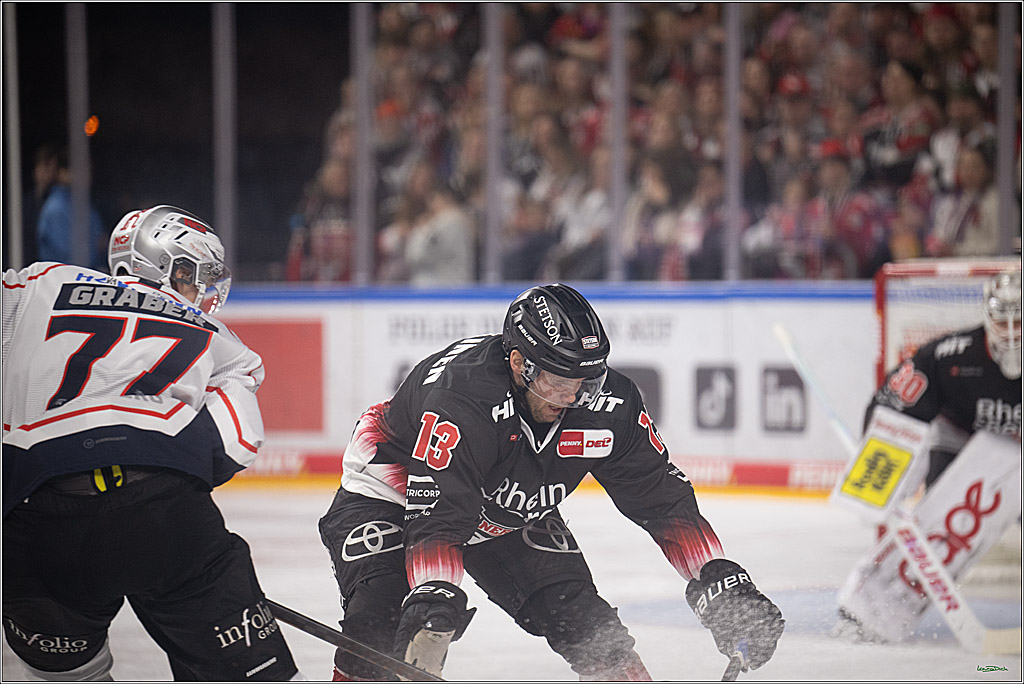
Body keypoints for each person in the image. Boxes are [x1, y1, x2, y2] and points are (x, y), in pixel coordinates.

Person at [318, 283, 785, 681]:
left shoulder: (609, 406)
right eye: (557, 381)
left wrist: (717, 577)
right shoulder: (464, 399)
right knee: (382, 625)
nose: (572, 397)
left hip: (505, 507)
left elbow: (662, 501)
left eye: (586, 381)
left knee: (586, 624)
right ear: (519, 363)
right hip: (393, 494)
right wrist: (434, 591)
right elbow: (439, 518)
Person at [3, 206, 303, 681]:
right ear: (170, 267)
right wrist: (165, 478)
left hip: (39, 519)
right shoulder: (213, 334)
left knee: (71, 675)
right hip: (166, 516)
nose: (202, 291)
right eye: (199, 276)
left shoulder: (37, 284)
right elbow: (237, 442)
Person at [836, 268, 1022, 641]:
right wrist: (879, 470)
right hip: (963, 443)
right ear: (987, 318)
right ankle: (874, 610)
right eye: (1003, 322)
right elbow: (893, 404)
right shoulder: (950, 356)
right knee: (944, 521)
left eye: (1020, 321)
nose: (1012, 333)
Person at [35, 146, 107, 272]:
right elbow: (73, 259)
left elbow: (103, 243)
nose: (85, 176)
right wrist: (97, 248)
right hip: (63, 280)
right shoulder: (56, 209)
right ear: (62, 173)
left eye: (87, 170)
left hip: (90, 277)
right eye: (79, 170)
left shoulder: (86, 206)